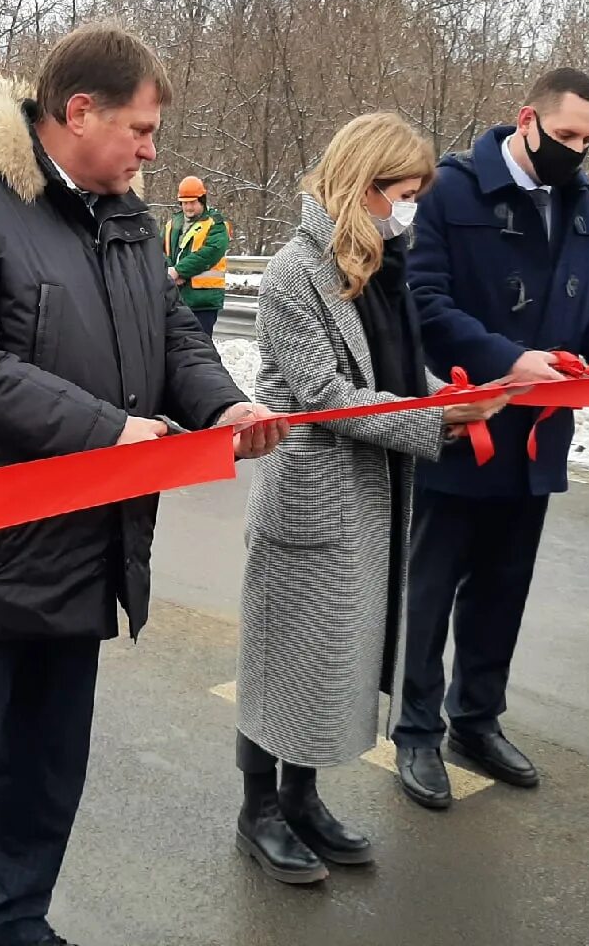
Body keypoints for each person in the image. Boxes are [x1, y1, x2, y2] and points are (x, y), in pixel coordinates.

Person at [0, 22, 287, 946]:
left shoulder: (124, 216)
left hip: (82, 552)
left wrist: (221, 407)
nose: (152, 151)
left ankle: (12, 923)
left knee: (45, 780)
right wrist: (107, 431)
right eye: (140, 130)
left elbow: (174, 334)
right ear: (78, 111)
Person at [234, 112, 507, 885]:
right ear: (361, 184)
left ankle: (304, 796)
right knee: (279, 659)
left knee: (333, 660)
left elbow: (394, 370)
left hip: (373, 492)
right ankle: (259, 808)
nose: (409, 207)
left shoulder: (382, 265)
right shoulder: (296, 270)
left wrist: (454, 398)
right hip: (313, 496)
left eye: (416, 194)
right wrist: (436, 417)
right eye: (401, 192)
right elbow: (325, 395)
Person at [393, 67, 589, 809]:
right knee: (431, 587)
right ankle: (414, 730)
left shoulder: (587, 207)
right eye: (566, 135)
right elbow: (423, 299)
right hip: (463, 423)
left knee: (504, 585)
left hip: (541, 434)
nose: (576, 151)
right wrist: (505, 361)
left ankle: (475, 721)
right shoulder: (452, 192)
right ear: (527, 120)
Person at [163, 176, 229, 335]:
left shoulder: (216, 224)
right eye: (185, 203)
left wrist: (178, 271)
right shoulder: (173, 223)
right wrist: (169, 270)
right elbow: (161, 250)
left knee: (202, 347)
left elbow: (208, 254)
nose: (188, 207)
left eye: (192, 202)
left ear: (202, 200)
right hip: (176, 298)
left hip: (203, 299)